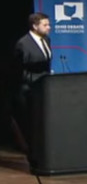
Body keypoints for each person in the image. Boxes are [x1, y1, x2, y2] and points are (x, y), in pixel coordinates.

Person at [10, 12, 53, 155]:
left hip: (44, 87)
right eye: (45, 25)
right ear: (35, 26)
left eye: (49, 24)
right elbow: (17, 70)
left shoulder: (46, 40)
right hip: (29, 89)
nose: (49, 27)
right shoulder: (23, 43)